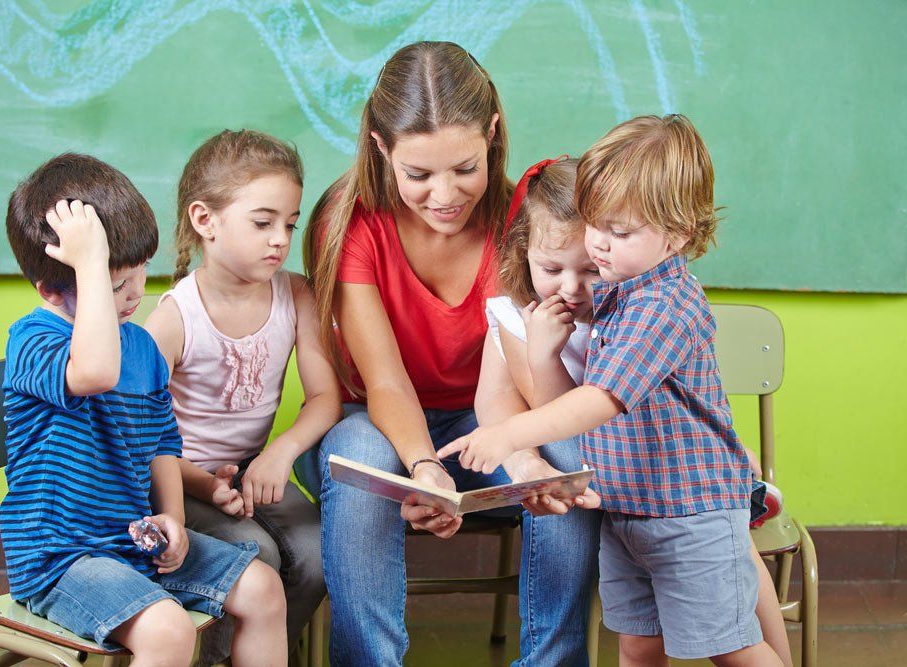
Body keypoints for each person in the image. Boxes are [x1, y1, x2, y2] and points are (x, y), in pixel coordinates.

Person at [441, 115, 785, 665]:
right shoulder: (618, 295)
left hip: (688, 509)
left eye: (618, 233)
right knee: (638, 642)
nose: (599, 245)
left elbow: (599, 399)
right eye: (596, 225)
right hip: (632, 507)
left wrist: (508, 434)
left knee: (731, 646)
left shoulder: (659, 307)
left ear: (678, 235)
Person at [302, 41, 600, 666]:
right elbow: (384, 382)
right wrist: (423, 467)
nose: (445, 194)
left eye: (465, 167)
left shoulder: (525, 222)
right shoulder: (349, 221)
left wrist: (522, 459)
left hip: (490, 420)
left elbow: (517, 384)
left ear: (492, 135)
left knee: (570, 458)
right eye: (419, 175)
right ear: (381, 148)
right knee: (361, 453)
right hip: (379, 425)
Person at [0, 153, 287, 665]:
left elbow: (162, 445)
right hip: (59, 559)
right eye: (114, 284)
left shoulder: (142, 348)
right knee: (169, 631)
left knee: (264, 589)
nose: (136, 293)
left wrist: (172, 517)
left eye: (141, 272)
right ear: (50, 290)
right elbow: (94, 371)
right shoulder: (33, 341)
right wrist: (90, 263)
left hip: (132, 540)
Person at [145, 130, 340, 664]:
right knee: (260, 556)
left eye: (289, 224)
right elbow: (137, 438)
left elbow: (326, 396)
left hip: (251, 468)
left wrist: (280, 452)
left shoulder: (295, 293)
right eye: (262, 223)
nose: (280, 239)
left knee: (319, 557)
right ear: (205, 220)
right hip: (178, 480)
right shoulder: (174, 320)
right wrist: (205, 485)